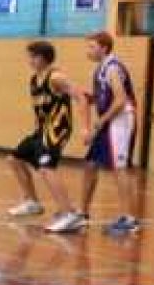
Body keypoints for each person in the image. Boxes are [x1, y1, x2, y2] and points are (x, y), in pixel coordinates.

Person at [6, 41, 91, 233]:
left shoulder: (56, 77)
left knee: (46, 168)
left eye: (31, 56)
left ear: (41, 58)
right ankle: (32, 202)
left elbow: (81, 97)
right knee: (14, 159)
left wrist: (85, 128)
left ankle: (69, 214)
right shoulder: (34, 79)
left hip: (57, 129)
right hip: (41, 130)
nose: (29, 60)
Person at [80, 31, 140, 235]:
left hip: (120, 120)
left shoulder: (113, 67)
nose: (88, 50)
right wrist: (89, 98)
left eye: (92, 46)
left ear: (104, 48)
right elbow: (107, 97)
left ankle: (129, 219)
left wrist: (100, 122)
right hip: (110, 120)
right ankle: (83, 214)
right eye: (88, 46)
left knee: (119, 168)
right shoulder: (101, 68)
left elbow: (121, 100)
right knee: (90, 165)